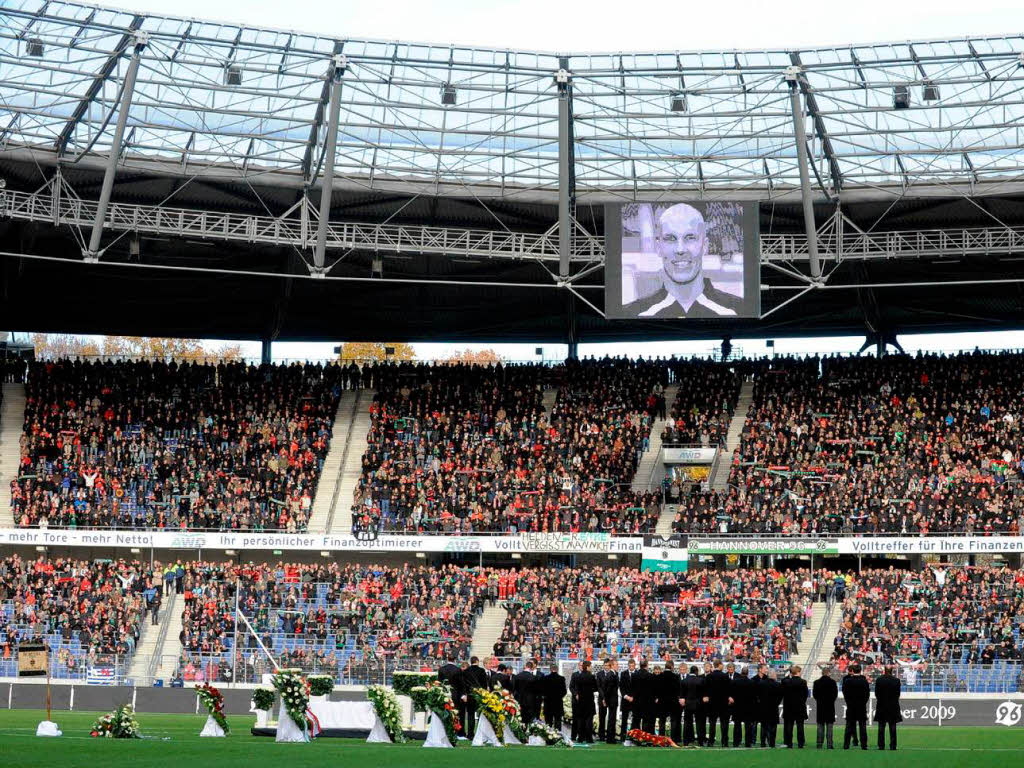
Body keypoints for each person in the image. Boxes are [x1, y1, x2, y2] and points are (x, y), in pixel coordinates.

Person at [624, 203, 742, 318]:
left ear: (705, 246)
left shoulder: (737, 310)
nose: (680, 250)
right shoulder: (633, 314)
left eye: (690, 238)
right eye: (670, 239)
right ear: (658, 248)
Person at [704, 659, 732, 747]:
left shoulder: (709, 676)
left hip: (712, 703)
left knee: (712, 723)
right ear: (719, 665)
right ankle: (724, 741)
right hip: (723, 704)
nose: (723, 666)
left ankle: (711, 741)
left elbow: (706, 689)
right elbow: (728, 689)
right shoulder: (725, 676)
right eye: (722, 665)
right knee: (724, 723)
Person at [841, 663, 869, 750]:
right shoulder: (864, 681)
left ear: (853, 671)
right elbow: (867, 694)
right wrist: (863, 703)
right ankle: (864, 745)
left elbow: (845, 693)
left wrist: (849, 703)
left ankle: (846, 745)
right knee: (862, 726)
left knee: (849, 726)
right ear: (860, 671)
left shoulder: (847, 681)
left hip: (851, 706)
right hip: (861, 706)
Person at [874, 665, 903, 751]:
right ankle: (893, 746)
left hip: (881, 705)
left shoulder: (879, 680)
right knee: (893, 727)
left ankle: (881, 745)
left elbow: (877, 693)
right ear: (892, 671)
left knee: (881, 727)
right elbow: (898, 694)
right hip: (893, 706)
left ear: (885, 670)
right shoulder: (896, 681)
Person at [460, 656, 489, 738]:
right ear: (477, 661)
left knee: (470, 715)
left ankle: (470, 734)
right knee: (481, 715)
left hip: (470, 695)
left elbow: (464, 685)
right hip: (480, 695)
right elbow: (484, 685)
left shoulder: (466, 672)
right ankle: (481, 734)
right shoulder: (481, 671)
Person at [781, 665, 809, 748]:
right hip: (800, 707)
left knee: (789, 726)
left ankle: (789, 743)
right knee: (800, 726)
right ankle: (801, 743)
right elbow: (805, 695)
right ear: (798, 672)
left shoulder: (786, 682)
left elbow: (783, 693)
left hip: (789, 707)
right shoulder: (803, 682)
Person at [570, 660, 598, 744]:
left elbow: (576, 688)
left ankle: (580, 738)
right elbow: (596, 688)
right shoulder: (591, 676)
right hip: (589, 700)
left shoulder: (578, 676)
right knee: (589, 720)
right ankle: (589, 738)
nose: (591, 667)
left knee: (580, 720)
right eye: (590, 666)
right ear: (588, 667)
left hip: (580, 701)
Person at [812, 665, 838, 749]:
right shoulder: (833, 682)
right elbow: (835, 695)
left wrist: (820, 701)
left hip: (820, 706)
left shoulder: (816, 682)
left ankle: (819, 744)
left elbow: (815, 695)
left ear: (822, 673)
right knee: (829, 727)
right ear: (829, 673)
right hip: (830, 706)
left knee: (820, 726)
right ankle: (829, 744)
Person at [656, 659, 681, 743]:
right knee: (673, 721)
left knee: (662, 721)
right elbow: (678, 690)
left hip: (662, 702)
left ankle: (661, 739)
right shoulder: (676, 676)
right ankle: (673, 739)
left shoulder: (659, 676)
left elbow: (657, 690)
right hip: (673, 702)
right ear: (672, 667)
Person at [731, 666, 756, 747]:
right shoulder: (751, 682)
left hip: (737, 707)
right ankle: (748, 743)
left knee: (737, 725)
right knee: (748, 726)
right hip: (748, 708)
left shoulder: (735, 682)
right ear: (748, 673)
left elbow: (732, 694)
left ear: (741, 672)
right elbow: (754, 697)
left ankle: (736, 742)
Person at [758, 670, 783, 748]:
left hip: (763, 707)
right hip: (773, 708)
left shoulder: (761, 683)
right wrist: (776, 703)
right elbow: (780, 696)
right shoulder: (778, 685)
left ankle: (762, 742)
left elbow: (758, 695)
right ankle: (772, 743)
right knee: (773, 726)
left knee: (763, 726)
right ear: (773, 676)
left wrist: (761, 702)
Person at [598, 658, 619, 743]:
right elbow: (605, 688)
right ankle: (606, 737)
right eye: (616, 665)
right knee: (605, 718)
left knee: (611, 719)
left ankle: (610, 737)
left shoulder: (615, 674)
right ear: (612, 665)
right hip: (608, 699)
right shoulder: (610, 675)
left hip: (610, 699)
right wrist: (604, 699)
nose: (618, 666)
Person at [632, 658, 656, 734]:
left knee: (636, 721)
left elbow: (632, 689)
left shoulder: (634, 675)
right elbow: (653, 691)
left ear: (640, 665)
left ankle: (636, 737)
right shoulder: (651, 676)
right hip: (647, 702)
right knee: (646, 721)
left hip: (636, 702)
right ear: (647, 665)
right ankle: (646, 738)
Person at [681, 664, 704, 746]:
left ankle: (686, 741)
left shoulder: (684, 681)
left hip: (688, 704)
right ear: (696, 672)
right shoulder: (701, 680)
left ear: (689, 671)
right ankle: (700, 741)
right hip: (698, 704)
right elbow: (702, 694)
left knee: (687, 723)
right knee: (699, 723)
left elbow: (682, 695)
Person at [541, 663, 566, 730]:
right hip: (558, 703)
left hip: (548, 703)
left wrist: (546, 697)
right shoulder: (561, 678)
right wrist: (559, 697)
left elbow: (542, 691)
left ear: (550, 670)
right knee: (558, 721)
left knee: (548, 722)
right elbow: (564, 691)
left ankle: (548, 736)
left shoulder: (545, 678)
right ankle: (558, 736)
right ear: (557, 670)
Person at [618, 657, 636, 740]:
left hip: (635, 701)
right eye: (630, 665)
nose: (631, 667)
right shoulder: (623, 673)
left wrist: (634, 697)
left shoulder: (638, 673)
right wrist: (626, 696)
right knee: (624, 719)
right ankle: (623, 736)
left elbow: (639, 687)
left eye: (633, 665)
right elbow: (621, 687)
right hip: (625, 700)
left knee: (635, 719)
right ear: (628, 666)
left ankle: (633, 736)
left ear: (635, 665)